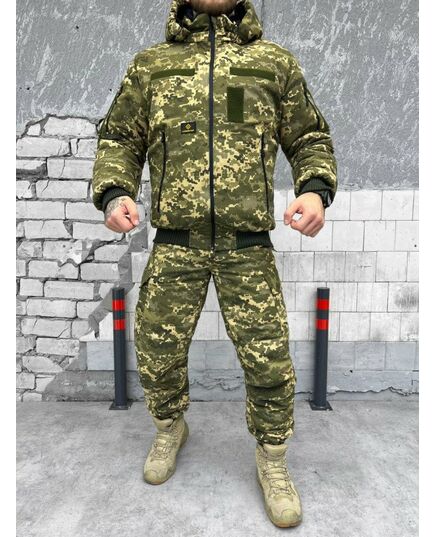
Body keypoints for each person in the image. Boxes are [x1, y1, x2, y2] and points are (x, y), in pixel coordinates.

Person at [92, 0, 337, 528]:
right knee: (155, 347)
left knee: (269, 359)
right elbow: (119, 139)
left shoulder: (273, 63)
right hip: (175, 241)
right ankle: (170, 428)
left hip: (246, 244)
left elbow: (309, 137)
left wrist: (315, 189)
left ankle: (273, 458)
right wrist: (114, 192)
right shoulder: (152, 66)